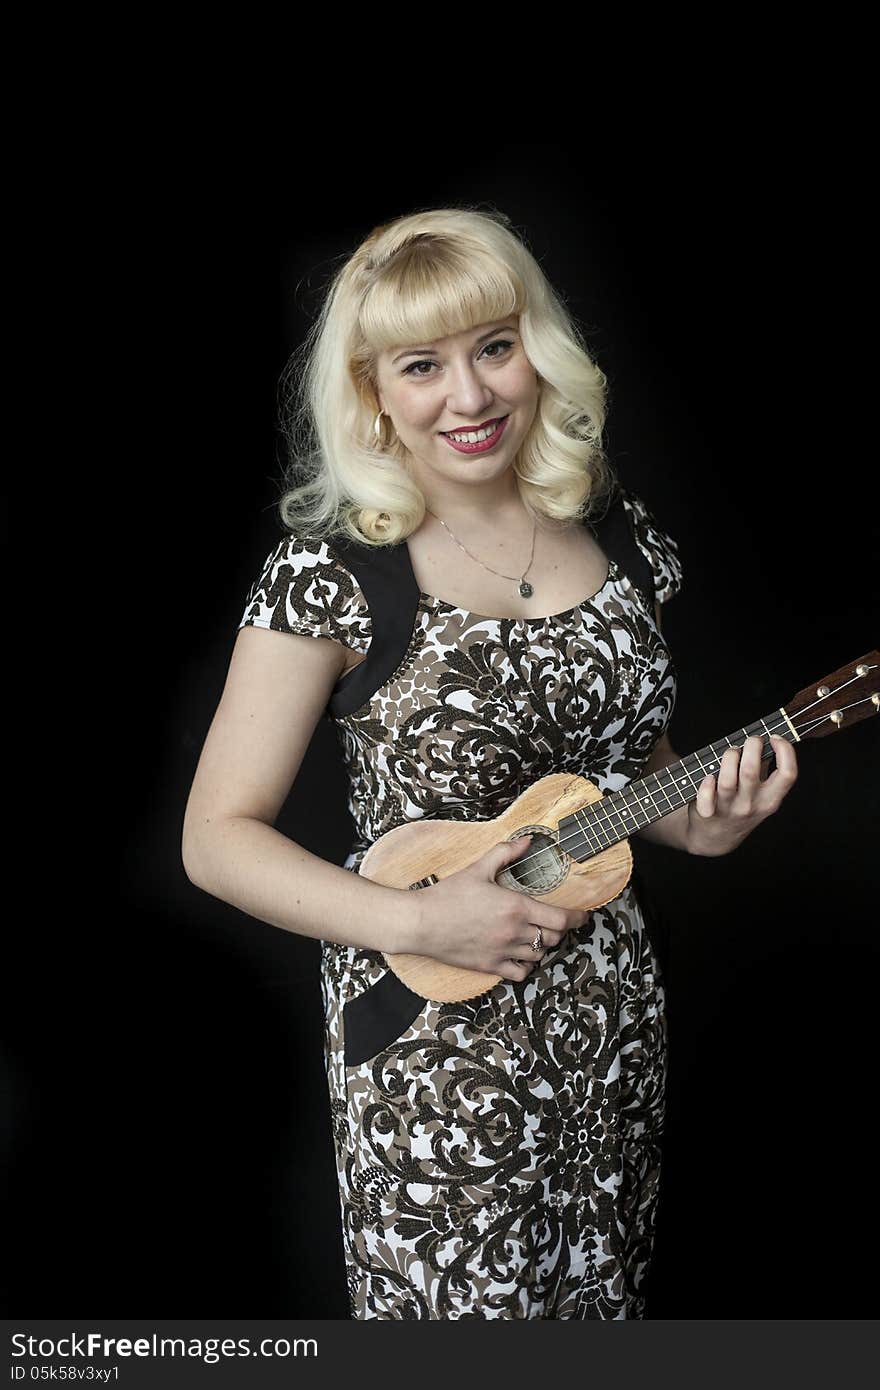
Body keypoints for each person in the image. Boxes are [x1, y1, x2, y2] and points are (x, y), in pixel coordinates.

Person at [181, 206, 798, 1319]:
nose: (469, 397)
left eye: (494, 347)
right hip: (431, 1037)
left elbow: (621, 773)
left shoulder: (614, 531)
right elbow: (214, 837)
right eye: (422, 365)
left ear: (536, 350)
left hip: (607, 1022)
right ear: (374, 391)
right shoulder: (331, 572)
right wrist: (419, 922)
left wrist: (699, 822)